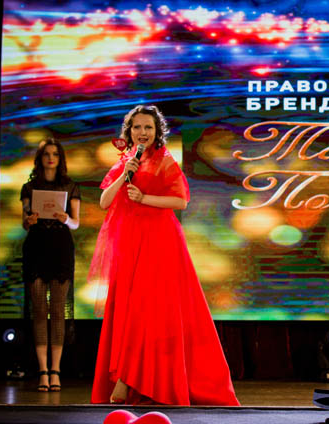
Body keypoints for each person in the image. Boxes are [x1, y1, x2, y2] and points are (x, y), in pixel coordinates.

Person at [89, 105, 239, 406]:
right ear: (129, 131)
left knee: (149, 311)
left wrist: (145, 198)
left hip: (159, 241)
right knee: (128, 311)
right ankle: (131, 379)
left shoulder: (164, 160)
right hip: (129, 244)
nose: (142, 132)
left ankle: (128, 380)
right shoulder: (125, 161)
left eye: (148, 127)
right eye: (137, 127)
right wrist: (125, 175)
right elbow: (105, 201)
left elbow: (181, 200)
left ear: (157, 131)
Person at [21, 138, 80, 392]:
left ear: (60, 158)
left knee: (57, 311)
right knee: (38, 310)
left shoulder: (70, 186)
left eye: (55, 154)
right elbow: (24, 222)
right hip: (36, 248)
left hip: (60, 249)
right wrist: (30, 220)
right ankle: (42, 370)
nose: (51, 158)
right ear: (40, 158)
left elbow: (76, 223)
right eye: (47, 154)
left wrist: (66, 218)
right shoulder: (29, 187)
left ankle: (55, 370)